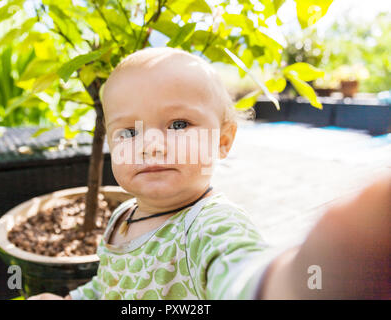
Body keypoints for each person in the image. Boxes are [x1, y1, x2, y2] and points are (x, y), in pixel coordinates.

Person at [28, 47, 390, 300]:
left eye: (179, 123)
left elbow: (240, 273)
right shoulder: (123, 214)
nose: (150, 145)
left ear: (223, 141)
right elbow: (108, 284)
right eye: (129, 131)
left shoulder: (210, 226)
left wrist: (295, 283)